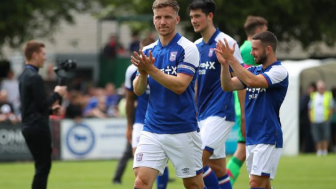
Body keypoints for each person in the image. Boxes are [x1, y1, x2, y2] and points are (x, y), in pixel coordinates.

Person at [131, 0, 205, 188]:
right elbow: (138, 90)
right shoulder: (147, 51)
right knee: (141, 182)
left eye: (167, 17)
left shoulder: (188, 48)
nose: (162, 22)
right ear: (154, 20)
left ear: (177, 19)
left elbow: (180, 85)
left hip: (182, 130)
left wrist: (151, 69)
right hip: (152, 129)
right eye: (158, 17)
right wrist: (142, 73)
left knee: (193, 185)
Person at [215, 31, 288, 189]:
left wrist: (232, 59)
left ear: (268, 49)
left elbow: (252, 81)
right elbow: (227, 86)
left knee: (255, 183)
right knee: (264, 184)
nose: (251, 52)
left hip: (268, 136)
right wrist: (224, 65)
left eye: (255, 49)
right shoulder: (254, 71)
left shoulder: (279, 71)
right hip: (252, 136)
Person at [189, 1, 244, 189]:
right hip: (202, 114)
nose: (193, 21)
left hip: (221, 112)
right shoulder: (195, 47)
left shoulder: (227, 42)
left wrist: (244, 115)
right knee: (218, 167)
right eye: (191, 17)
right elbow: (195, 84)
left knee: (197, 162)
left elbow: (242, 80)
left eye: (197, 16)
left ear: (210, 16)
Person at [18, 41, 67, 189]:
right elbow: (42, 105)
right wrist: (57, 94)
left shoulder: (24, 75)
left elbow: (32, 106)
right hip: (38, 127)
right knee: (43, 167)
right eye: (43, 54)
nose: (45, 58)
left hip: (28, 125)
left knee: (41, 166)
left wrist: (52, 111)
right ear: (35, 55)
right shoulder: (35, 77)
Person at [226, 15, 268, 185]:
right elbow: (246, 82)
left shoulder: (243, 47)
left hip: (247, 108)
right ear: (258, 31)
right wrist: (244, 113)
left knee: (244, 152)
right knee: (247, 152)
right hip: (248, 108)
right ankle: (223, 184)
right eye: (266, 30)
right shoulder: (249, 49)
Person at [308, 80, 334, 156]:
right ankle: (319, 151)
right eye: (319, 87)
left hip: (325, 120)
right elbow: (310, 108)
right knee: (317, 136)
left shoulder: (328, 95)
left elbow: (331, 108)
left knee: (325, 135)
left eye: (322, 87)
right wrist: (310, 118)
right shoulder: (313, 96)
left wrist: (328, 117)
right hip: (315, 120)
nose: (321, 89)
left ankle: (325, 150)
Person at [299, 83, 316, 153]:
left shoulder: (310, 97)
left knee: (309, 136)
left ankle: (309, 150)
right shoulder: (306, 97)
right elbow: (301, 108)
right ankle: (307, 150)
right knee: (306, 136)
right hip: (305, 120)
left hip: (309, 120)